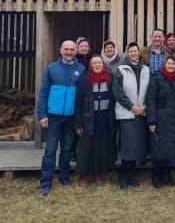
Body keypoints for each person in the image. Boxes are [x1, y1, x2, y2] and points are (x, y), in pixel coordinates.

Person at [37, 40, 86, 195]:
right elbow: (43, 93)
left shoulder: (81, 69)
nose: (69, 52)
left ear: (76, 51)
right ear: (61, 50)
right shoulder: (52, 68)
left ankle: (64, 177)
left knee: (66, 149)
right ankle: (46, 181)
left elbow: (83, 96)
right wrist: (42, 114)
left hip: (71, 117)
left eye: (72, 49)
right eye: (66, 49)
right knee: (50, 150)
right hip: (53, 116)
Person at [113, 42, 150, 189]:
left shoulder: (146, 70)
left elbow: (150, 90)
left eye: (136, 51)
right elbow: (118, 92)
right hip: (126, 113)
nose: (134, 53)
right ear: (127, 54)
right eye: (131, 51)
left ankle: (132, 174)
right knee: (128, 146)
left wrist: (144, 106)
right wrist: (131, 107)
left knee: (137, 146)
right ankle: (123, 175)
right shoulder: (121, 70)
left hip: (142, 113)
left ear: (138, 53)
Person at [74, 55, 114, 187]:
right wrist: (78, 124)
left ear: (103, 64)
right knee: (86, 148)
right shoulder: (84, 79)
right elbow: (78, 102)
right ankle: (84, 175)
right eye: (94, 63)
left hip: (103, 118)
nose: (97, 65)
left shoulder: (109, 78)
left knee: (100, 147)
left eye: (99, 63)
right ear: (91, 66)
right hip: (88, 119)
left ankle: (97, 173)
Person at [146, 56, 175, 188]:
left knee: (172, 148)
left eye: (173, 64)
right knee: (159, 149)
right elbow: (150, 99)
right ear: (164, 65)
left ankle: (167, 174)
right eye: (168, 63)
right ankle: (156, 175)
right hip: (160, 119)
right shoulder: (157, 78)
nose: (171, 66)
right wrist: (151, 120)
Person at [100, 39, 121, 164]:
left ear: (115, 50)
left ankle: (114, 154)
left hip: (116, 99)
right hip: (104, 99)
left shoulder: (121, 62)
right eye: (106, 48)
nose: (109, 50)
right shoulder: (100, 62)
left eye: (111, 48)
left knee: (115, 128)